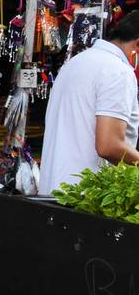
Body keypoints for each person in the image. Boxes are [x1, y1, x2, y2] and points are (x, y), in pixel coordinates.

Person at [40, 12, 139, 192]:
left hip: (54, 190)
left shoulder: (76, 62)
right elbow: (109, 145)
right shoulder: (118, 71)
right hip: (84, 196)